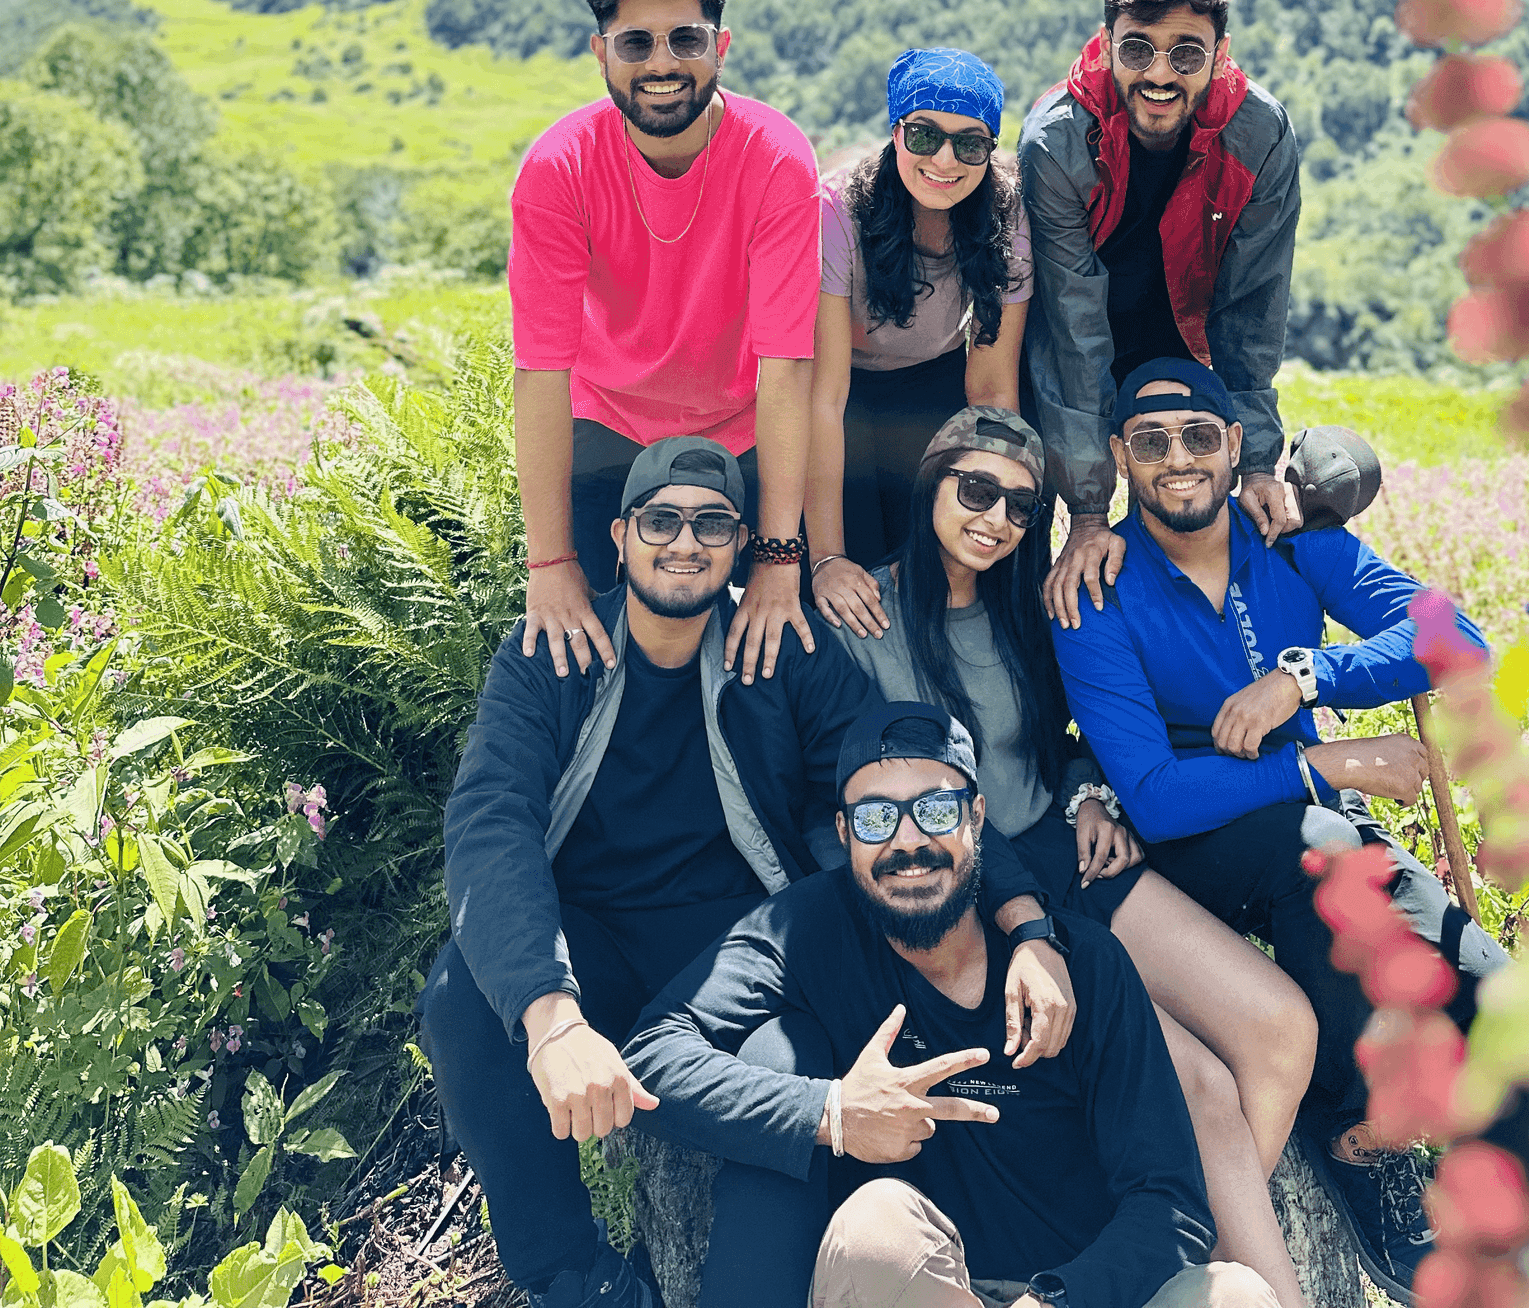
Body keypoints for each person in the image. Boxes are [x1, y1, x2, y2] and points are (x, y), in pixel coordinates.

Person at [420, 436, 1074, 1308]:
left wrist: (1026, 921)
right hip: (595, 941)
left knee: (795, 1100)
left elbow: (906, 778)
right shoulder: (555, 651)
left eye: (712, 524)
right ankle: (576, 1281)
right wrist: (550, 1018)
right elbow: (490, 818)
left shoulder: (779, 647)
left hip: (738, 952)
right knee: (462, 996)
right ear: (619, 537)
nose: (684, 542)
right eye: (661, 520)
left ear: (739, 548)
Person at [1050, 358, 1529, 1308]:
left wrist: (1306, 679)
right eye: (1150, 443)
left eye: (1198, 437)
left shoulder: (1291, 538)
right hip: (1193, 844)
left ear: (1236, 447)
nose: (1177, 460)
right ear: (1118, 459)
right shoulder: (1095, 589)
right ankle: (1355, 1133)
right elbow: (1153, 797)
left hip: (1310, 827)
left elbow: (1458, 643)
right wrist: (1327, 763)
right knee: (1324, 847)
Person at [825, 404, 1325, 1308]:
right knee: (1203, 1089)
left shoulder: (1032, 601)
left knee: (1280, 1030)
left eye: (1021, 507)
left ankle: (1157, 1253)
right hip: (985, 892)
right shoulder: (865, 613)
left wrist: (1092, 790)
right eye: (976, 491)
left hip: (1074, 859)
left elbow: (1080, 728)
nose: (996, 520)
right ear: (932, 486)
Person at [630, 699, 1283, 1308]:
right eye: (876, 817)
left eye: (935, 811)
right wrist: (831, 1111)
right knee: (874, 1223)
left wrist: (1054, 1301)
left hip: (1076, 1294)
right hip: (921, 1285)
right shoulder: (807, 933)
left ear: (976, 818)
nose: (907, 842)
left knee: (1234, 1294)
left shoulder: (1080, 964)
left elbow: (1169, 1203)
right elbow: (652, 1056)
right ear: (843, 831)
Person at [508, 0, 821, 687]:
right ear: (600, 52)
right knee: (582, 648)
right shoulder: (558, 169)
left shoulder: (776, 157)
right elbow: (540, 375)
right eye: (635, 42)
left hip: (744, 425)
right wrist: (550, 563)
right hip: (610, 424)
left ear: (722, 47)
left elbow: (786, 367)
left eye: (686, 39)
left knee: (776, 654)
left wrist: (779, 559)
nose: (661, 63)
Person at [1018, 0, 1304, 626]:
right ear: (1106, 42)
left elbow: (1252, 307)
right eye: (1138, 49)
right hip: (1064, 332)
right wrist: (1088, 510)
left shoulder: (1259, 134)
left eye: (1186, 55)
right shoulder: (1058, 141)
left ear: (1221, 52)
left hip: (1181, 334)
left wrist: (1259, 460)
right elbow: (1073, 326)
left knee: (1190, 493)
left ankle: (1212, 652)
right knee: (1028, 513)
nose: (1159, 74)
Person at [807, 46, 1032, 618]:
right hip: (847, 390)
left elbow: (992, 389)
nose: (946, 160)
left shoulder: (1006, 215)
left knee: (937, 552)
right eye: (925, 136)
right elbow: (824, 397)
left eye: (971, 143)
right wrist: (827, 558)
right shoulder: (839, 210)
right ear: (895, 131)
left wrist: (993, 503)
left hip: (936, 378)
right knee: (857, 560)